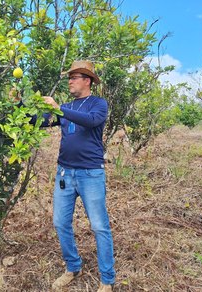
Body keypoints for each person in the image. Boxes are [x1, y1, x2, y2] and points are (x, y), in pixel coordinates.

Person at [42, 60, 115, 292]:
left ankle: (107, 279)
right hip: (65, 173)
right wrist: (20, 105)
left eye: (74, 77)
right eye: (69, 77)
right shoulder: (65, 107)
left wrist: (59, 108)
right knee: (60, 222)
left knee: (99, 226)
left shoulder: (98, 104)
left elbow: (92, 121)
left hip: (90, 174)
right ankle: (73, 267)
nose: (70, 81)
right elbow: (39, 122)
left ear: (87, 80)